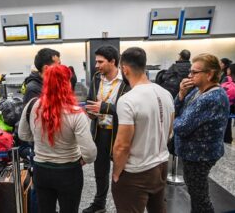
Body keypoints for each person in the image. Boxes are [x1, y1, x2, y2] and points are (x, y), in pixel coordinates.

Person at [18, 64, 97, 213]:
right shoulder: (75, 113)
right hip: (69, 172)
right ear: (67, 83)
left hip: (41, 171)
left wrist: (40, 140)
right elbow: (90, 153)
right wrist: (81, 159)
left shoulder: (32, 105)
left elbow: (23, 135)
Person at [111, 47, 174, 213]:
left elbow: (122, 146)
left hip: (135, 172)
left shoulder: (128, 100)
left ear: (125, 69)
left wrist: (117, 173)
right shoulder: (165, 94)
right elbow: (169, 131)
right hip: (161, 165)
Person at [174, 54, 229, 213]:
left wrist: (174, 120)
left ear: (210, 74)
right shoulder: (197, 91)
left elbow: (181, 126)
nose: (189, 76)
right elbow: (177, 109)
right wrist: (181, 95)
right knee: (196, 193)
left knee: (200, 198)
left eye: (194, 72)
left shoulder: (212, 97)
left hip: (200, 155)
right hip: (193, 153)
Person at [83, 45, 130, 213]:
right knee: (100, 171)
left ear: (113, 61)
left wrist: (105, 108)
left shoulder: (126, 81)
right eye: (96, 61)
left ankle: (124, 206)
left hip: (119, 132)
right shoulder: (97, 78)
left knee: (122, 172)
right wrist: (91, 112)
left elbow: (131, 109)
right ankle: (99, 203)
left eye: (100, 62)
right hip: (99, 131)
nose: (96, 65)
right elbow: (90, 101)